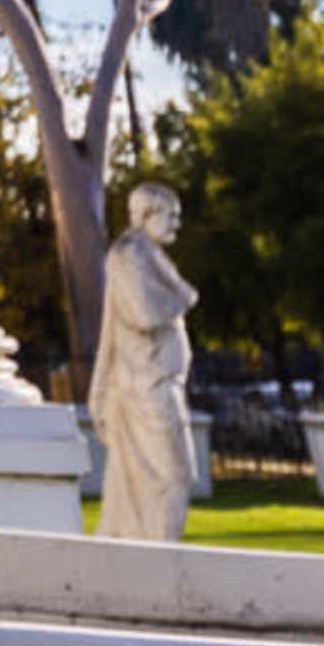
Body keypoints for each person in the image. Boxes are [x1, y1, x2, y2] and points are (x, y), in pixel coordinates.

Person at [85, 181, 198, 546]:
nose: (177, 224)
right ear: (148, 214)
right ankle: (157, 560)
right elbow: (145, 313)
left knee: (154, 480)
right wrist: (183, 296)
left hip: (157, 385)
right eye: (171, 215)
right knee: (173, 477)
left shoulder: (148, 254)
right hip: (146, 388)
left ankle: (146, 554)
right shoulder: (129, 255)